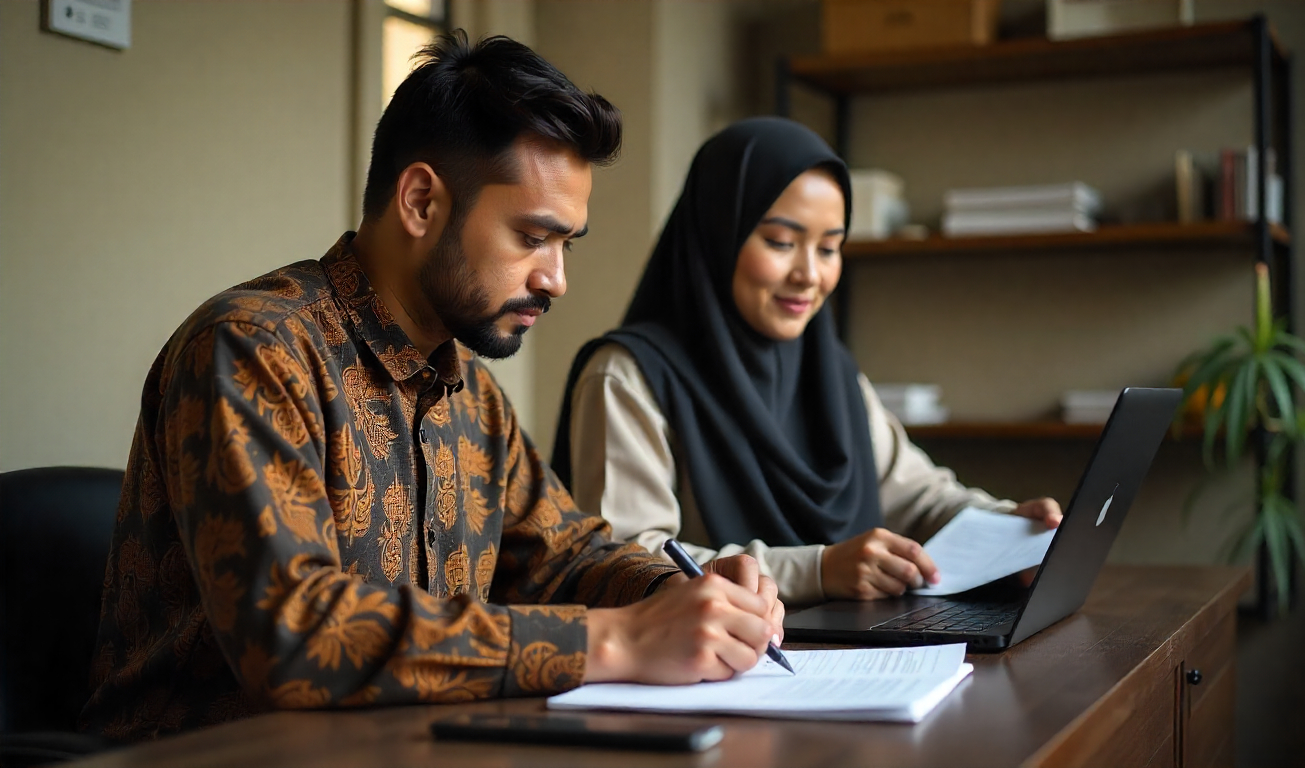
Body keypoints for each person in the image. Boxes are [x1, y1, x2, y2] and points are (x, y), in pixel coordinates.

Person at [81, 34, 783, 742]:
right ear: (420, 201)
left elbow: (567, 558)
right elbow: (295, 634)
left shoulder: (470, 394)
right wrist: (619, 641)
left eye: (566, 244)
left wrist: (685, 593)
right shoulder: (253, 348)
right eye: (532, 237)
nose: (556, 279)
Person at [552, 117, 1062, 607]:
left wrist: (1007, 525)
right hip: (708, 668)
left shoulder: (830, 372)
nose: (809, 275)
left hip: (852, 653)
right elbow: (627, 558)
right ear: (717, 235)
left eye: (829, 248)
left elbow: (917, 496)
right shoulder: (627, 375)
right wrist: (818, 570)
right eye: (780, 242)